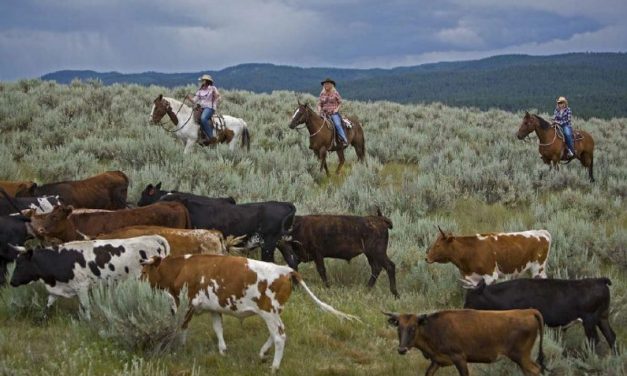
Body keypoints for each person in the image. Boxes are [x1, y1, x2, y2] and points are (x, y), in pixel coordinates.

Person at [187, 74, 221, 143]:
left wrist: (216, 95)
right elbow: (194, 100)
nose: (201, 82)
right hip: (201, 107)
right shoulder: (200, 90)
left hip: (210, 108)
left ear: (207, 81)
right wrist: (189, 98)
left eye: (203, 80)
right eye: (201, 80)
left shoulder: (212, 88)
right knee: (193, 118)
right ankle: (199, 135)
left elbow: (218, 96)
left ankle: (211, 137)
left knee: (203, 118)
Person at [317, 78, 348, 147]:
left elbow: (340, 102)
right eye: (325, 84)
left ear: (331, 85)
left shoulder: (335, 93)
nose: (326, 85)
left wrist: (336, 109)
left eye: (328, 84)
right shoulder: (322, 94)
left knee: (337, 124)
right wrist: (319, 110)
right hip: (324, 113)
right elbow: (319, 104)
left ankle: (344, 139)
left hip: (333, 113)